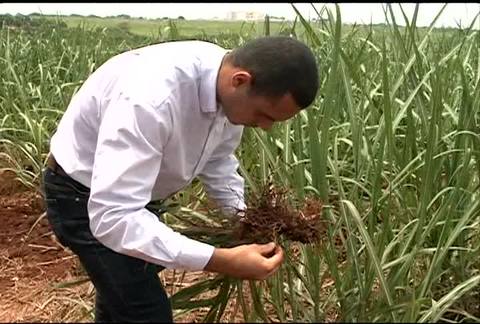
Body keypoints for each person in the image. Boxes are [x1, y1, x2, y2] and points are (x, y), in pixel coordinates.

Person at [42, 35, 319, 322]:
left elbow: (218, 160)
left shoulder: (226, 88)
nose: (265, 127)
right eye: (264, 115)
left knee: (121, 300)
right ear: (240, 80)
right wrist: (222, 260)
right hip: (84, 199)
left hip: (135, 199)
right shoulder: (150, 98)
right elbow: (114, 217)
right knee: (146, 312)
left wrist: (244, 220)